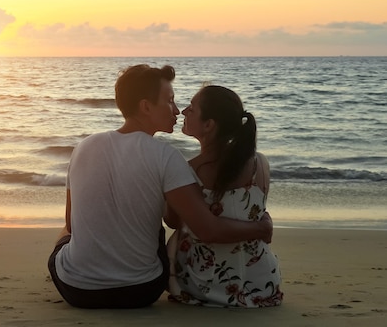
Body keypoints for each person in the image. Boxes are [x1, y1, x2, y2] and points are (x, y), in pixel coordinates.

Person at [47, 65, 273, 309]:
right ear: (146, 106)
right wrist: (260, 228)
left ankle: (87, 267)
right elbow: (207, 229)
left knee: (67, 231)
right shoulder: (167, 156)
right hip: (141, 290)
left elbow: (72, 224)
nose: (177, 110)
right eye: (170, 101)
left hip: (77, 291)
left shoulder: (83, 147)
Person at [165, 84, 283, 308]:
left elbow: (173, 220)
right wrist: (261, 227)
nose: (183, 112)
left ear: (209, 125)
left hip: (208, 286)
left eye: (191, 108)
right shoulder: (260, 162)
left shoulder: (188, 170)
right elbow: (254, 212)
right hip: (263, 282)